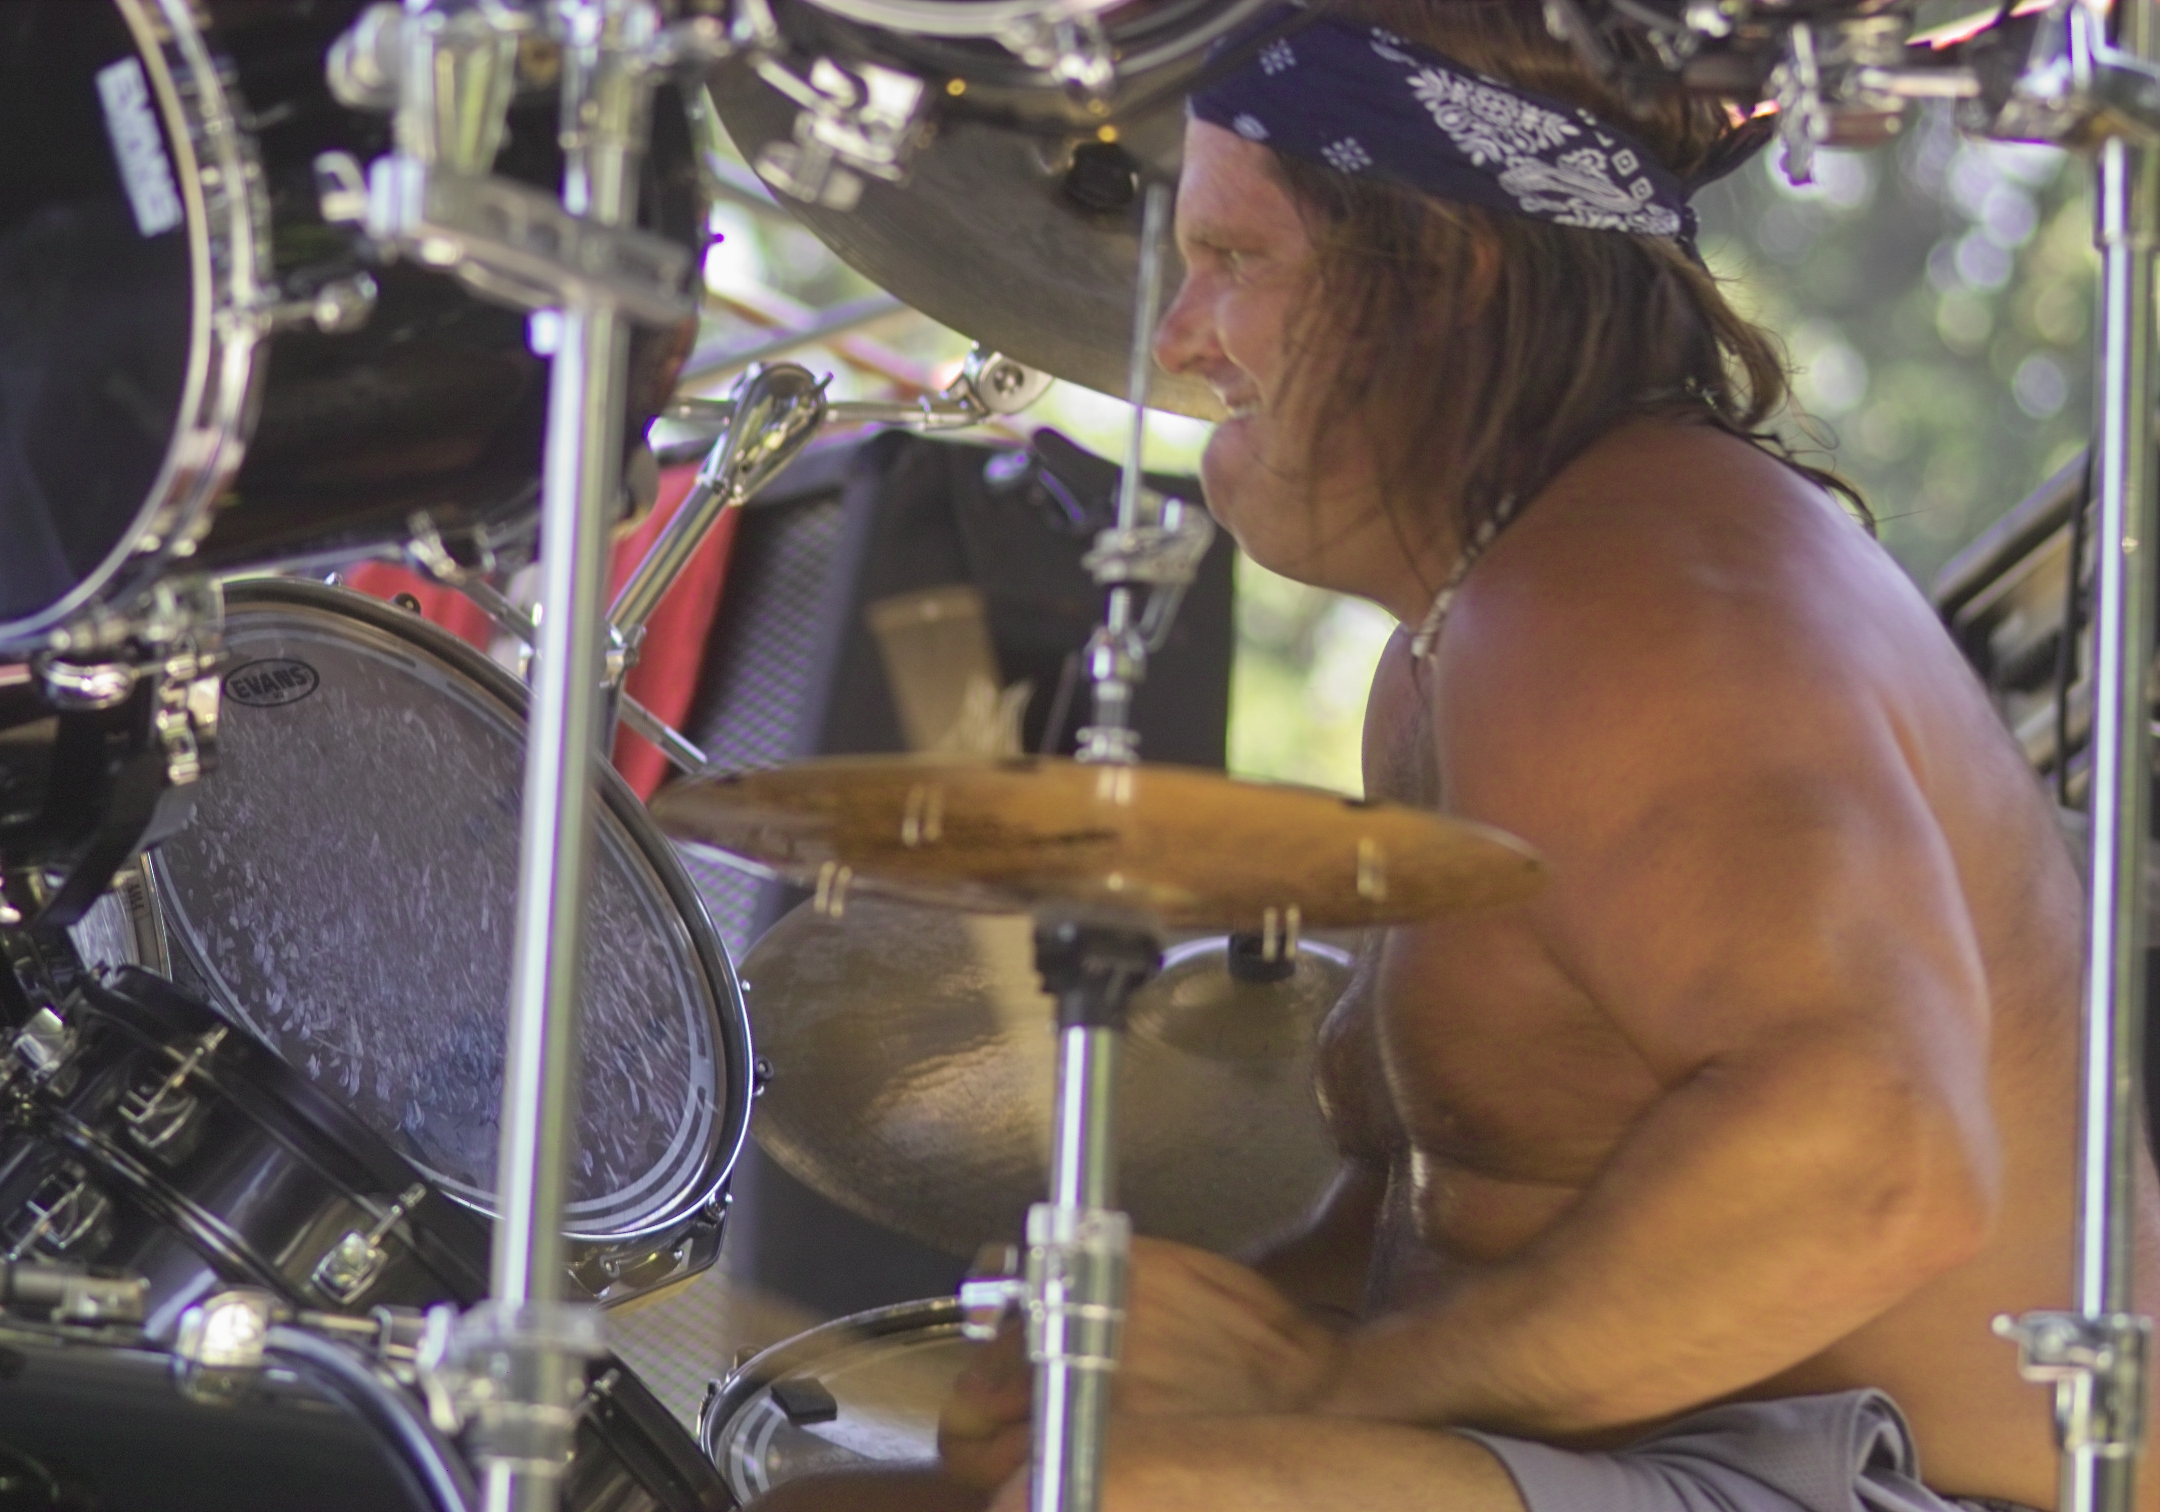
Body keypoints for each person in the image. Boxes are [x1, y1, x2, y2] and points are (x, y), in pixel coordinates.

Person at [925, 4, 2158, 1511]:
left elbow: (1881, 1162)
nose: (1179, 342)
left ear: (1444, 274)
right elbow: (1460, 1223)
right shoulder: (1465, 635)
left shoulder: (1637, 594)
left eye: (1233, 260)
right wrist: (1180, 1349)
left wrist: (1321, 1397)